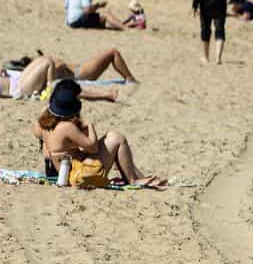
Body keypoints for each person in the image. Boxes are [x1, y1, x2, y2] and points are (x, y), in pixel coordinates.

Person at [34, 81, 166, 189]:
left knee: (113, 146)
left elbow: (37, 133)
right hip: (80, 175)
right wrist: (90, 125)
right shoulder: (67, 127)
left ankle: (137, 177)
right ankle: (133, 180)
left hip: (60, 173)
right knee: (116, 137)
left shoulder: (45, 121)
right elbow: (93, 147)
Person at [0, 49, 132, 101]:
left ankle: (52, 84)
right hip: (20, 87)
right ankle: (105, 95)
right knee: (49, 65)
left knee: (48, 60)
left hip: (21, 80)